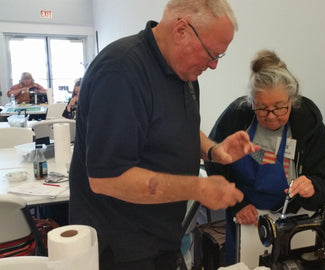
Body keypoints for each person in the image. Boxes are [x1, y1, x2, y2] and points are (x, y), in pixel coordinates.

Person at [69, 0, 259, 269]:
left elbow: (181, 128)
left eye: (219, 56)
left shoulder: (185, 73)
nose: (214, 65)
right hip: (121, 247)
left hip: (163, 235)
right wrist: (198, 188)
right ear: (181, 30)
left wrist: (214, 150)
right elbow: (107, 178)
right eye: (211, 53)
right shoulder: (121, 72)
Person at [205, 49, 325, 265]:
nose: (271, 117)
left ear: (292, 99)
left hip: (292, 220)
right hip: (247, 217)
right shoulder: (237, 116)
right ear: (252, 103)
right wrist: (237, 203)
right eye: (262, 109)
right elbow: (213, 159)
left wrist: (313, 187)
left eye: (280, 108)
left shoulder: (308, 125)